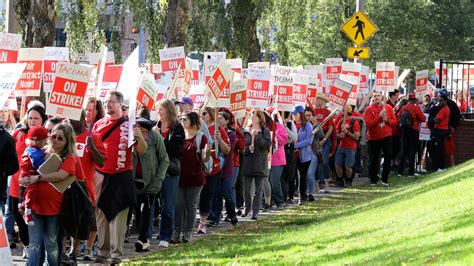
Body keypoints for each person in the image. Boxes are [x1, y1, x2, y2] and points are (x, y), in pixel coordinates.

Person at [92, 91, 147, 263]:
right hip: (101, 175)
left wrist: (138, 137)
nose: (108, 104)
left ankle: (116, 254)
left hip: (121, 174)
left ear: (120, 104)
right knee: (101, 214)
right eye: (106, 101)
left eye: (112, 102)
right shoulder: (99, 124)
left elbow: (142, 150)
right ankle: (103, 251)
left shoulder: (130, 124)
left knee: (118, 215)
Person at [25, 124, 82, 266]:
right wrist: (23, 179)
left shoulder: (69, 157)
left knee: (51, 244)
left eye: (60, 138)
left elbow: (61, 175)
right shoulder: (40, 152)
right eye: (53, 136)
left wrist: (38, 178)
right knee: (34, 244)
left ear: (67, 141)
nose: (55, 140)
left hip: (55, 210)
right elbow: (25, 171)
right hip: (35, 206)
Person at [66, 110, 106, 262]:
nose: (70, 121)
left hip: (85, 187)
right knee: (69, 220)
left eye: (74, 118)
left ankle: (81, 249)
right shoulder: (64, 136)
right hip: (66, 185)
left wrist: (92, 147)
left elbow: (102, 162)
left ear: (82, 118)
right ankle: (70, 251)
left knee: (86, 221)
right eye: (68, 118)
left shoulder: (93, 137)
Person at [9, 105, 48, 258]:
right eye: (30, 117)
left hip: (40, 185)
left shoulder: (48, 136)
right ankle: (26, 246)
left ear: (43, 119)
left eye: (36, 118)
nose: (32, 121)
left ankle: (36, 254)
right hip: (17, 184)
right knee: (19, 218)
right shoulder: (18, 134)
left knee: (36, 220)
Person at [133, 115, 169, 252]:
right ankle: (144, 241)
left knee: (146, 209)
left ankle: (142, 239)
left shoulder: (155, 137)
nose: (139, 132)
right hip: (134, 181)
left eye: (142, 130)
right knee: (137, 211)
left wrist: (158, 179)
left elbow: (164, 159)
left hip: (150, 182)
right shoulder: (131, 138)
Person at [173, 112, 210, 243]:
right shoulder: (179, 135)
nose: (182, 121)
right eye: (181, 118)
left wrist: (207, 154)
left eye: (185, 119)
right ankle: (176, 232)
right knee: (178, 205)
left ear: (193, 120)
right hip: (179, 177)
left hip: (195, 178)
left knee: (190, 205)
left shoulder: (201, 137)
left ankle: (188, 233)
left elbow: (205, 157)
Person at [154, 99, 184, 248]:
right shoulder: (155, 126)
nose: (158, 111)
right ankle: (146, 236)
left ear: (169, 111)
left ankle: (166, 236)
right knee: (152, 204)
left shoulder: (178, 128)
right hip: (155, 170)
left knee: (168, 206)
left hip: (170, 171)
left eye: (161, 109)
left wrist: (160, 138)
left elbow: (175, 150)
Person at [197, 107, 230, 233]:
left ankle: (204, 221)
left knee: (208, 193)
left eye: (204, 114)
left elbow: (227, 150)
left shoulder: (218, 129)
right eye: (200, 114)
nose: (202, 116)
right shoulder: (197, 127)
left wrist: (219, 139)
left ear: (210, 114)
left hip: (213, 167)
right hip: (198, 166)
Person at [208, 109, 238, 225]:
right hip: (215, 168)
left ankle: (232, 214)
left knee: (227, 192)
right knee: (216, 194)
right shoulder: (212, 131)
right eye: (217, 118)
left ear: (227, 121)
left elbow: (228, 151)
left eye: (221, 118)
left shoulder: (231, 134)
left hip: (227, 168)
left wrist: (219, 139)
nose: (218, 120)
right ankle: (215, 217)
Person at [241, 110, 271, 219]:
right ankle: (247, 208)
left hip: (260, 164)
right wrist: (248, 149)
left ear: (260, 118)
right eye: (250, 116)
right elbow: (241, 148)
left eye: (254, 116)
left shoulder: (265, 131)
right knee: (247, 189)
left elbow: (267, 145)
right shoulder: (245, 132)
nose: (252, 117)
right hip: (248, 164)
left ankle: (255, 211)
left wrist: (257, 137)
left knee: (258, 190)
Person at [364, 91, 397, 186]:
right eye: (375, 96)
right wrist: (379, 117)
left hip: (386, 136)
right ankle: (373, 179)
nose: (377, 97)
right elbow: (369, 124)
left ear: (382, 97)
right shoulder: (369, 109)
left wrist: (387, 120)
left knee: (388, 157)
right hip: (373, 138)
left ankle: (385, 179)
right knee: (373, 159)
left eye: (378, 95)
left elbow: (394, 122)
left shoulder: (388, 108)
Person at [18, 126, 49, 226]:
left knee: (26, 191)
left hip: (26, 174)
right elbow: (38, 164)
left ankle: (22, 205)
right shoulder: (33, 151)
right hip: (28, 175)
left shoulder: (34, 149)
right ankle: (28, 212)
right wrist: (47, 161)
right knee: (32, 190)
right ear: (41, 141)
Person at [397, 93, 426, 177]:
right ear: (415, 100)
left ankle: (400, 172)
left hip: (404, 130)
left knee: (404, 151)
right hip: (413, 130)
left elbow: (399, 118)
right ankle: (411, 172)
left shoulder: (403, 108)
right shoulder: (416, 108)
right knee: (412, 151)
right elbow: (423, 118)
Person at [292, 105, 314, 204]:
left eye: (295, 114)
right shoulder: (291, 124)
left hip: (304, 156)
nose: (294, 116)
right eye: (292, 114)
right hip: (293, 155)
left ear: (300, 114)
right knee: (292, 176)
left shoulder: (308, 125)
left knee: (302, 176)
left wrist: (297, 145)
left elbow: (309, 140)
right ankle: (291, 196)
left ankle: (302, 196)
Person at [335, 105, 360, 185]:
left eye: (343, 111)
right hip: (341, 146)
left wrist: (347, 133)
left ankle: (349, 180)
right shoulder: (341, 121)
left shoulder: (354, 122)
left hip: (351, 147)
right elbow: (336, 132)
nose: (341, 112)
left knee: (348, 166)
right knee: (337, 164)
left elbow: (357, 136)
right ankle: (340, 179)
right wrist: (339, 135)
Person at [313, 94, 333, 191]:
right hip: (315, 138)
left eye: (320, 99)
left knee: (324, 161)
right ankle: (316, 183)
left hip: (325, 137)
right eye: (317, 99)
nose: (318, 101)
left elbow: (330, 128)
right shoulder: (312, 111)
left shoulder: (327, 112)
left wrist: (324, 139)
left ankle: (326, 183)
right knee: (315, 162)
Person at [269, 110, 288, 208]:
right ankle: (268, 202)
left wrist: (274, 136)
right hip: (267, 159)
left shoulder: (279, 126)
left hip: (278, 159)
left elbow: (284, 140)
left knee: (274, 180)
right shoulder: (264, 128)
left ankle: (279, 201)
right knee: (267, 182)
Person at [430, 94, 450, 172]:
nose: (440, 102)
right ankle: (440, 166)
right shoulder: (445, 109)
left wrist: (434, 119)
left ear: (446, 101)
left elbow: (437, 120)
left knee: (438, 149)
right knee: (438, 148)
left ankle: (440, 167)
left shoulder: (444, 109)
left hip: (439, 130)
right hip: (441, 130)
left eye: (441, 101)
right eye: (439, 101)